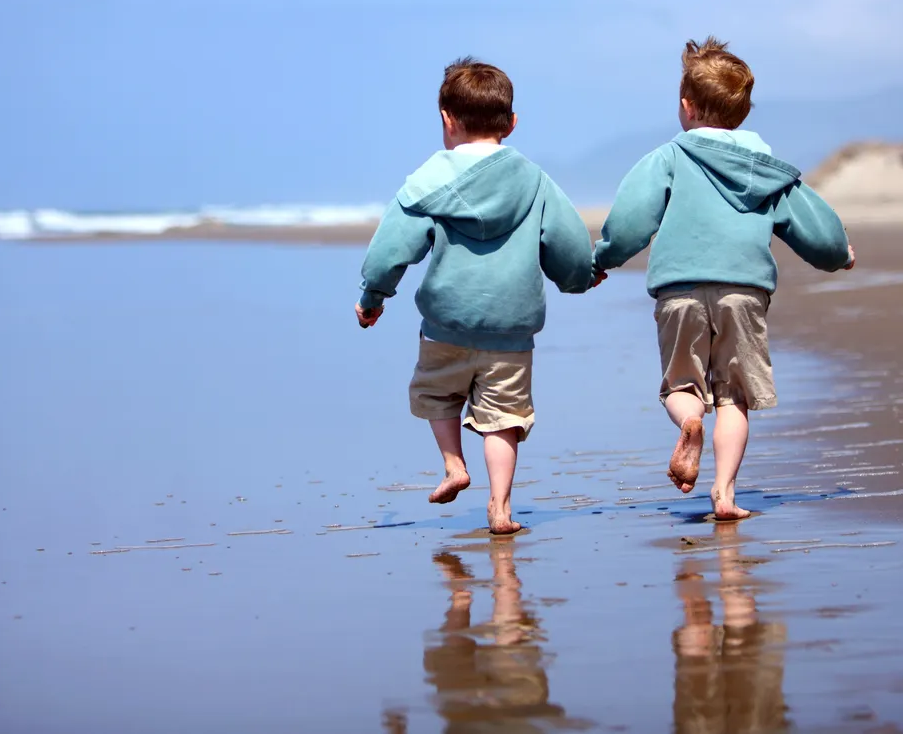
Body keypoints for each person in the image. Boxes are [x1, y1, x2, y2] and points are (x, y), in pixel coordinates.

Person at [593, 37, 855, 521]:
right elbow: (814, 225)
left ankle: (689, 422)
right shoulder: (766, 170)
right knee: (735, 395)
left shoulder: (668, 159)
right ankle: (725, 495)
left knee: (681, 385)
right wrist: (840, 255)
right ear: (743, 113)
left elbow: (631, 220)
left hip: (680, 290)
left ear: (686, 107)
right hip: (744, 290)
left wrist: (603, 259)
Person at [356, 57, 599, 534]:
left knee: (438, 393)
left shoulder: (427, 183)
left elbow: (391, 249)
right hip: (511, 327)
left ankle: (453, 465)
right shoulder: (534, 182)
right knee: (503, 417)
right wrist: (580, 278)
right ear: (511, 123)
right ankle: (502, 507)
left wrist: (373, 296)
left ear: (446, 120)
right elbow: (568, 245)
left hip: (445, 323)